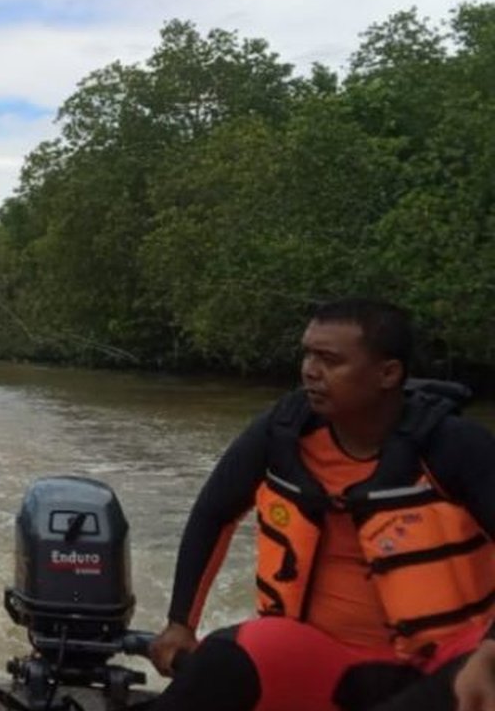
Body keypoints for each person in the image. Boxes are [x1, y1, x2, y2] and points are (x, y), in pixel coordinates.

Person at [146, 298, 495, 711]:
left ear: (388, 373)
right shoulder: (282, 433)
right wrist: (180, 624)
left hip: (446, 660)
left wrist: (491, 652)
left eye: (329, 359)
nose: (310, 370)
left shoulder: (455, 447)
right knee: (223, 659)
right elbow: (213, 513)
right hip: (323, 656)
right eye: (308, 354)